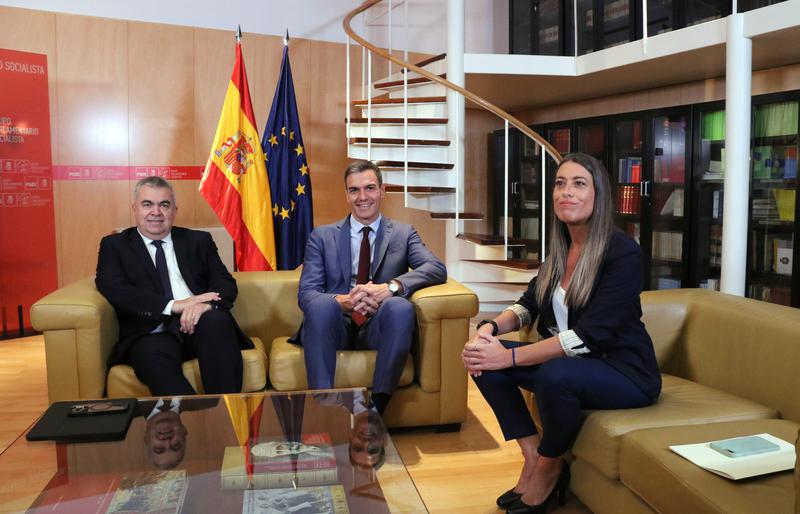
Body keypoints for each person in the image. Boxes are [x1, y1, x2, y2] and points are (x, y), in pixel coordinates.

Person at [462, 153, 661, 514]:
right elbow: (528, 305)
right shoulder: (560, 250)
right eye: (560, 183)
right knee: (480, 359)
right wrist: (489, 330)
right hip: (576, 369)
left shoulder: (623, 253)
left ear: (598, 195)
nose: (566, 192)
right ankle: (532, 454)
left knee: (555, 371)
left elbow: (588, 337)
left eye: (579, 183)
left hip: (625, 373)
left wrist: (508, 356)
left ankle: (551, 465)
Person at [295, 160, 446, 414]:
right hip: (336, 324)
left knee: (399, 307)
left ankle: (376, 411)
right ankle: (324, 409)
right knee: (321, 304)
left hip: (378, 324)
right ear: (346, 194)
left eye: (370, 188)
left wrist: (391, 287)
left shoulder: (403, 233)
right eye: (354, 190)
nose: (362, 197)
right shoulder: (322, 236)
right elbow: (306, 294)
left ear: (382, 191)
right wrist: (345, 301)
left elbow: (436, 268)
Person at [96, 176, 251, 396]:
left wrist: (206, 305)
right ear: (135, 209)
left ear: (174, 210)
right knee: (152, 357)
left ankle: (226, 416)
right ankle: (197, 420)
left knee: (217, 320)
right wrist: (174, 305)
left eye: (164, 205)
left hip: (201, 324)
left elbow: (225, 282)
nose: (156, 212)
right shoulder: (115, 245)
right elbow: (111, 286)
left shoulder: (198, 241)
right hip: (151, 332)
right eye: (147, 204)